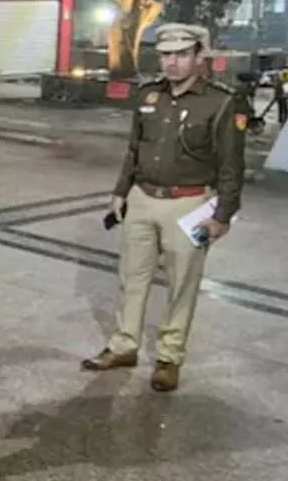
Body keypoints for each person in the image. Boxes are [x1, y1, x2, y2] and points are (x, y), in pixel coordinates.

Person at [82, 24, 249, 392]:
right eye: (166, 55)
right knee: (131, 277)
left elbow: (231, 166)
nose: (172, 62)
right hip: (142, 198)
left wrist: (222, 216)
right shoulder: (149, 95)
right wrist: (121, 191)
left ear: (199, 57)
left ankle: (169, 358)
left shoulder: (221, 102)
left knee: (182, 284)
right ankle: (124, 345)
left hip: (188, 203)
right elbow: (134, 148)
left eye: (182, 54)